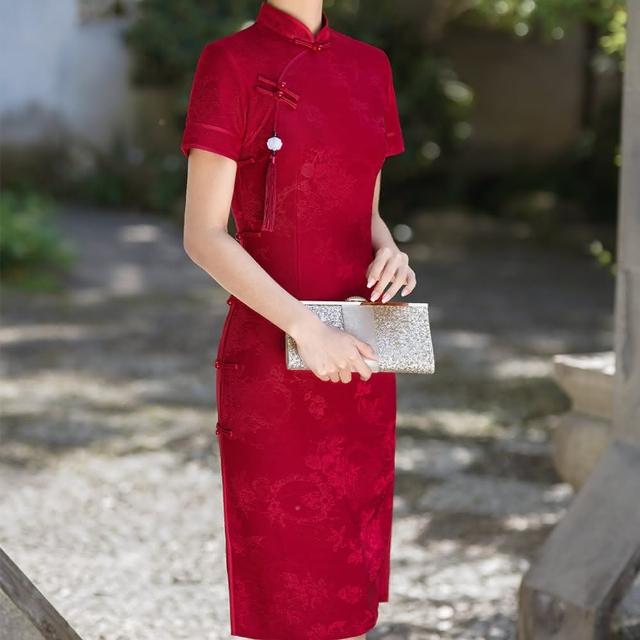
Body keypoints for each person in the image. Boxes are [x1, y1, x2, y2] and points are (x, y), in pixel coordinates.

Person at [181, 1, 415, 638]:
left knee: (349, 598)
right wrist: (306, 329)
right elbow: (203, 235)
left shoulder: (371, 66)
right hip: (273, 354)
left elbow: (363, 215)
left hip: (361, 352)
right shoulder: (229, 62)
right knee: (286, 600)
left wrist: (390, 251)